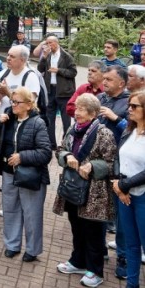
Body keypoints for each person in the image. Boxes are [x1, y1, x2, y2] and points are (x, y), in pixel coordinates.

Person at [54, 93, 117, 288]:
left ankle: (95, 271)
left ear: (92, 113)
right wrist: (66, 156)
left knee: (94, 232)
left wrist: (91, 166)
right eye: (76, 108)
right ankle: (78, 261)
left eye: (81, 109)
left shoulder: (103, 133)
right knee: (76, 226)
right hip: (73, 188)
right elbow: (60, 149)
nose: (76, 112)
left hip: (94, 192)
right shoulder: (73, 129)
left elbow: (111, 162)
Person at [0, 86, 52, 262]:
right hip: (9, 172)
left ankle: (32, 249)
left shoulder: (38, 122)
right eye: (12, 101)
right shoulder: (8, 118)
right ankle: (12, 245)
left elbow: (45, 153)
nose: (13, 105)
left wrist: (22, 157)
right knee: (10, 210)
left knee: (32, 213)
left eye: (17, 102)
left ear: (29, 105)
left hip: (31, 175)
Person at [113, 91, 145, 285]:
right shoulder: (129, 131)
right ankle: (131, 284)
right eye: (129, 106)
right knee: (131, 245)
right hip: (124, 195)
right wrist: (119, 186)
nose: (129, 110)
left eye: (134, 106)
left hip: (141, 196)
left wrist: (123, 185)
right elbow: (118, 158)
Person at [37, 34, 77, 141]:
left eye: (50, 43)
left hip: (64, 92)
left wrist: (58, 70)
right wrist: (44, 57)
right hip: (50, 91)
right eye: (47, 43)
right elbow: (40, 69)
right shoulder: (47, 55)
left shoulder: (66, 56)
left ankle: (66, 142)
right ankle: (51, 143)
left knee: (66, 119)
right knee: (50, 118)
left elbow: (73, 72)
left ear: (56, 43)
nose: (48, 45)